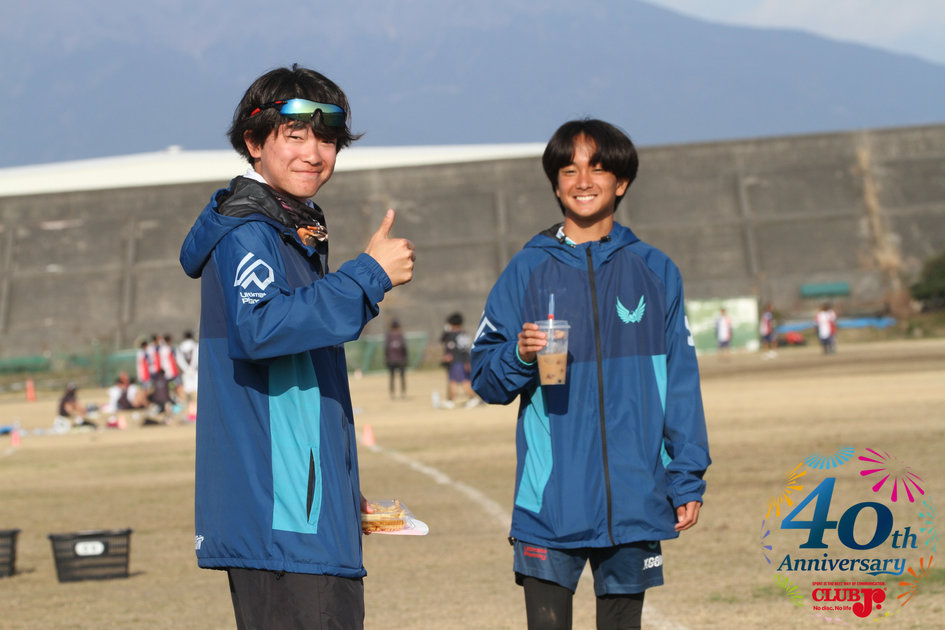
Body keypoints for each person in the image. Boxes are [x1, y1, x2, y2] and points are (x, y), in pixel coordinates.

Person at [178, 64, 415, 629]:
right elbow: (261, 326)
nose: (314, 153)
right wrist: (368, 275)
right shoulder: (249, 230)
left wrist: (338, 488)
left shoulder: (287, 227)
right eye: (295, 135)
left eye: (327, 139)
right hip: (282, 524)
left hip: (301, 516)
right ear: (254, 142)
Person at [470, 119, 710, 630]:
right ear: (555, 184)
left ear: (621, 182)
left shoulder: (656, 271)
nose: (583, 181)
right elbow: (486, 379)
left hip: (636, 497)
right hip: (550, 501)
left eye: (598, 169)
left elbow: (681, 384)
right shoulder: (525, 271)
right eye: (569, 170)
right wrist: (519, 355)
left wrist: (686, 479)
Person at [439, 312, 479, 408]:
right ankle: (450, 400)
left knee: (462, 381)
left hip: (457, 361)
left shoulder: (452, 335)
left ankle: (472, 399)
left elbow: (445, 343)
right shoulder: (465, 334)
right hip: (465, 359)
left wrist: (447, 356)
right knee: (455, 380)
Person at [384, 320, 408, 399]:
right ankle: (400, 393)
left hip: (393, 359)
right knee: (399, 377)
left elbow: (386, 349)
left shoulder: (390, 336)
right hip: (399, 359)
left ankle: (394, 393)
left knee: (394, 377)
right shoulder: (400, 335)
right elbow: (404, 348)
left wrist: (386, 358)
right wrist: (406, 358)